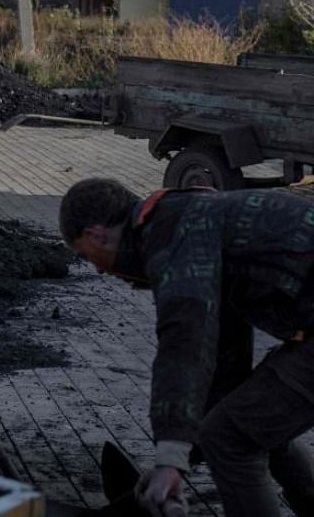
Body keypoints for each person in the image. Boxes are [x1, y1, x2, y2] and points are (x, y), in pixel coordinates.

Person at [59, 178, 314, 517]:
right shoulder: (192, 217)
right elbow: (222, 351)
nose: (97, 269)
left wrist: (170, 458)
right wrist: (178, 459)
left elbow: (184, 341)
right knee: (255, 421)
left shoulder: (175, 235)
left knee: (230, 439)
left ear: (95, 235)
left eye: (85, 255)